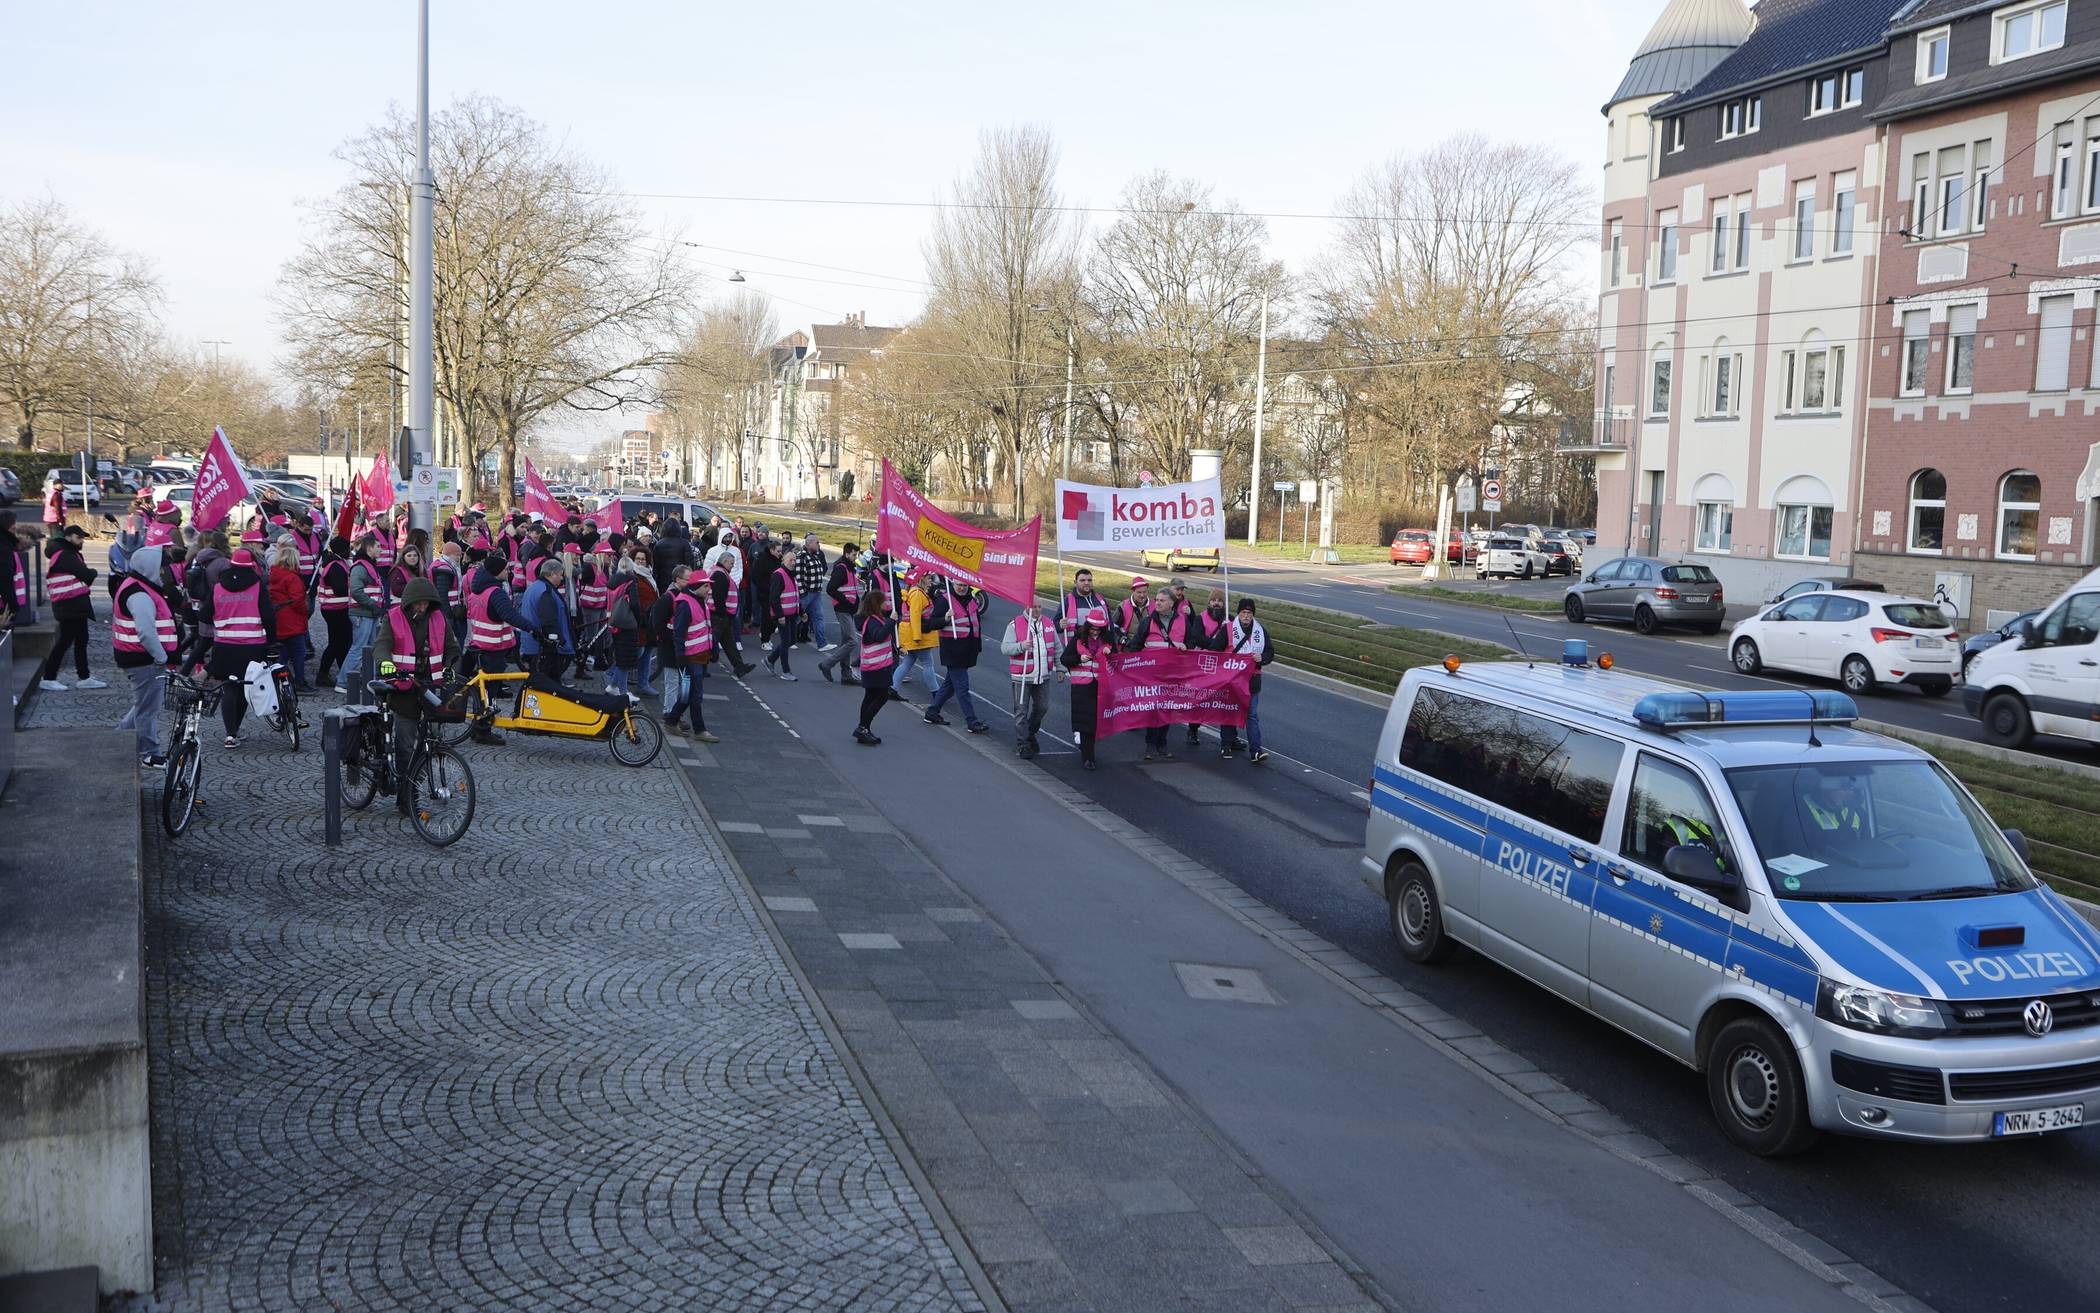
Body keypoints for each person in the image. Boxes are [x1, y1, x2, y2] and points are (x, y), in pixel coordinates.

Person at [372, 577, 460, 816]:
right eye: (418, 604)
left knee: (431, 741)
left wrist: (452, 667)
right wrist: (386, 664)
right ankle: (404, 795)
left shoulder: (438, 618)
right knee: (405, 743)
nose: (422, 608)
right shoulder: (393, 617)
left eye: (425, 604)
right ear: (409, 602)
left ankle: (414, 787)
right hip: (403, 690)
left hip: (431, 688)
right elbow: (382, 646)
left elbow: (452, 648)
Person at [202, 546, 276, 749]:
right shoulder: (257, 585)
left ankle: (230, 733)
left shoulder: (218, 587)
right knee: (245, 687)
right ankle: (235, 729)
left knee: (229, 687)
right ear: (251, 566)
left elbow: (205, 616)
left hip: (224, 646)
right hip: (252, 646)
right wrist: (272, 640)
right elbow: (268, 616)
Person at [111, 543, 178, 768]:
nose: (163, 572)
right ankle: (150, 753)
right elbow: (146, 631)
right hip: (144, 660)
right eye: (160, 567)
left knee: (144, 704)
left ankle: (119, 738)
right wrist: (161, 657)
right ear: (150, 567)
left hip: (140, 658)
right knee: (147, 709)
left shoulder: (137, 587)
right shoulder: (139, 593)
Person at [38, 522, 103, 690]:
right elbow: (86, 575)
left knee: (81, 640)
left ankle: (84, 677)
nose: (81, 541)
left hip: (73, 604)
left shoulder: (66, 553)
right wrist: (93, 572)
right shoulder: (65, 554)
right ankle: (49, 678)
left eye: (82, 538)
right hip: (69, 605)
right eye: (78, 537)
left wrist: (88, 573)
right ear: (67, 537)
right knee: (65, 641)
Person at [658, 565, 718, 742]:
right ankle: (700, 730)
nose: (709, 590)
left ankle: (671, 720)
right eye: (706, 586)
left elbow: (706, 628)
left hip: (699, 656)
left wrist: (713, 648)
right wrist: (681, 656)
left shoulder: (700, 603)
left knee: (687, 694)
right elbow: (679, 632)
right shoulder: (685, 604)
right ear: (695, 587)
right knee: (696, 694)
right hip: (690, 657)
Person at [923, 577, 988, 732]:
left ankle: (932, 712)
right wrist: (945, 618)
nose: (962, 588)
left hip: (967, 650)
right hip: (953, 651)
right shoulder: (945, 601)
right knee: (962, 688)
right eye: (959, 585)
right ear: (952, 584)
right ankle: (972, 721)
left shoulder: (971, 600)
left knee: (950, 686)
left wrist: (977, 647)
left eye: (964, 585)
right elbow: (931, 624)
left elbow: (975, 624)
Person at [1000, 598, 1060, 757]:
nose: (1037, 610)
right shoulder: (1015, 624)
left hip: (1043, 676)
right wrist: (1021, 646)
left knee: (1042, 707)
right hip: (1022, 677)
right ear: (1027, 606)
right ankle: (1023, 743)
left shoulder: (1048, 624)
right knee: (1021, 711)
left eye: (1040, 607)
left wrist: (1060, 668)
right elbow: (1005, 648)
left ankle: (1030, 733)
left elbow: (1057, 647)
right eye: (1034, 607)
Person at [1217, 597, 1273, 764]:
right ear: (1238, 613)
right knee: (1228, 710)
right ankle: (1225, 745)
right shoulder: (1227, 630)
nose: (1246, 616)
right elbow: (1214, 650)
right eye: (1243, 612)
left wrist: (1261, 657)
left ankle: (1256, 751)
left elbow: (1270, 652)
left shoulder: (1261, 631)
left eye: (1249, 613)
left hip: (1252, 680)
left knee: (1252, 716)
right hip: (1231, 679)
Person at [1059, 607, 1111, 771]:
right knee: (1085, 722)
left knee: (1095, 723)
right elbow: (1064, 659)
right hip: (1081, 687)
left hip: (1100, 686)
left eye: (1098, 629)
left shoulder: (1108, 641)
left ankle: (1088, 750)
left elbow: (1117, 662)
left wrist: (1111, 653)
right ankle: (1088, 757)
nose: (1095, 632)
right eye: (1093, 628)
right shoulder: (1078, 640)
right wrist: (1078, 659)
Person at [340, 533, 389, 694]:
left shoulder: (368, 565)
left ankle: (368, 680)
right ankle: (343, 682)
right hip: (363, 613)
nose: (381, 550)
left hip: (369, 612)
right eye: (378, 546)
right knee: (359, 648)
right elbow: (356, 590)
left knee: (369, 649)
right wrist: (373, 605)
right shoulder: (361, 567)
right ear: (369, 548)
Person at [266, 540, 314, 696]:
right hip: (292, 621)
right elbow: (298, 601)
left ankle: (276, 682)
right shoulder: (292, 578)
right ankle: (300, 682)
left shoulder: (273, 575)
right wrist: (305, 611)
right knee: (299, 654)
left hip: (279, 619)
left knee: (283, 654)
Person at [851, 589, 897, 746]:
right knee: (881, 696)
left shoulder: (874, 619)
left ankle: (864, 728)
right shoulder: (873, 621)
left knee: (870, 696)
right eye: (884, 601)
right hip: (877, 666)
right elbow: (879, 636)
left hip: (873, 665)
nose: (886, 603)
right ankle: (863, 727)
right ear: (877, 604)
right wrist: (891, 621)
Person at [518, 558, 575, 681]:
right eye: (560, 575)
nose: (561, 579)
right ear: (552, 574)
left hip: (532, 644)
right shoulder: (545, 591)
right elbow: (549, 621)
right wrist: (560, 641)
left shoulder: (534, 588)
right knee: (549, 683)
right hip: (544, 647)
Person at [892, 570, 943, 702]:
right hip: (916, 635)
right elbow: (915, 616)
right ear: (921, 579)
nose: (931, 581)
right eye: (929, 578)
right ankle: (936, 693)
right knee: (927, 663)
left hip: (910, 633)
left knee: (908, 662)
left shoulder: (915, 593)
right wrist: (917, 636)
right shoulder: (917, 595)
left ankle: (892, 689)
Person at [817, 542, 865, 684]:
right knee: (852, 641)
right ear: (847, 554)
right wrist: (846, 601)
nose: (855, 558)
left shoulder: (850, 568)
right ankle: (827, 664)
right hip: (843, 609)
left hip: (849, 609)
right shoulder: (842, 568)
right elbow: (831, 588)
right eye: (854, 555)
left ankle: (846, 675)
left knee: (846, 641)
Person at [313, 537, 355, 689]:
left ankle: (341, 672)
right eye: (348, 548)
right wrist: (355, 588)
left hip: (335, 609)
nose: (350, 551)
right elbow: (339, 589)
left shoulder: (337, 562)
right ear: (342, 550)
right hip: (335, 609)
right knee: (338, 643)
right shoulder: (336, 566)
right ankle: (324, 673)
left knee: (340, 642)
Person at [707, 549, 755, 677]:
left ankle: (739, 666)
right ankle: (701, 667)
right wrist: (722, 614)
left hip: (722, 615)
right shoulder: (720, 574)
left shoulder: (718, 571)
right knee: (712, 642)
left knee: (729, 642)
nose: (733, 566)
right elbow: (719, 597)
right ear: (724, 561)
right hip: (720, 615)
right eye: (731, 563)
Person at [760, 540, 802, 680]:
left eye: (794, 560)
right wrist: (779, 615)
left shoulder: (791, 574)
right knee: (785, 642)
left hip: (792, 614)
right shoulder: (779, 574)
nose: (793, 562)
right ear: (784, 560)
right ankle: (786, 671)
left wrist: (801, 612)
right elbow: (774, 597)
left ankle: (770, 660)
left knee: (791, 640)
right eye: (790, 560)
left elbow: (795, 595)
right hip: (783, 615)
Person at [791, 533, 830, 648]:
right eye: (816, 542)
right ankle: (788, 640)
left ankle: (822, 644)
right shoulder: (802, 556)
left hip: (816, 593)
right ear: (808, 544)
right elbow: (799, 577)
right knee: (797, 617)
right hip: (807, 594)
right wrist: (803, 594)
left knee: (818, 617)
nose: (818, 544)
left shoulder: (815, 555)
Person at [1062, 568, 1106, 638]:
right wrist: (1060, 625)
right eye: (1082, 580)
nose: (1086, 583)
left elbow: (1109, 622)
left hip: (1100, 645)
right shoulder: (1068, 600)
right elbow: (1056, 623)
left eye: (1089, 580)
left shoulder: (1100, 598)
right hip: (1077, 645)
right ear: (1075, 582)